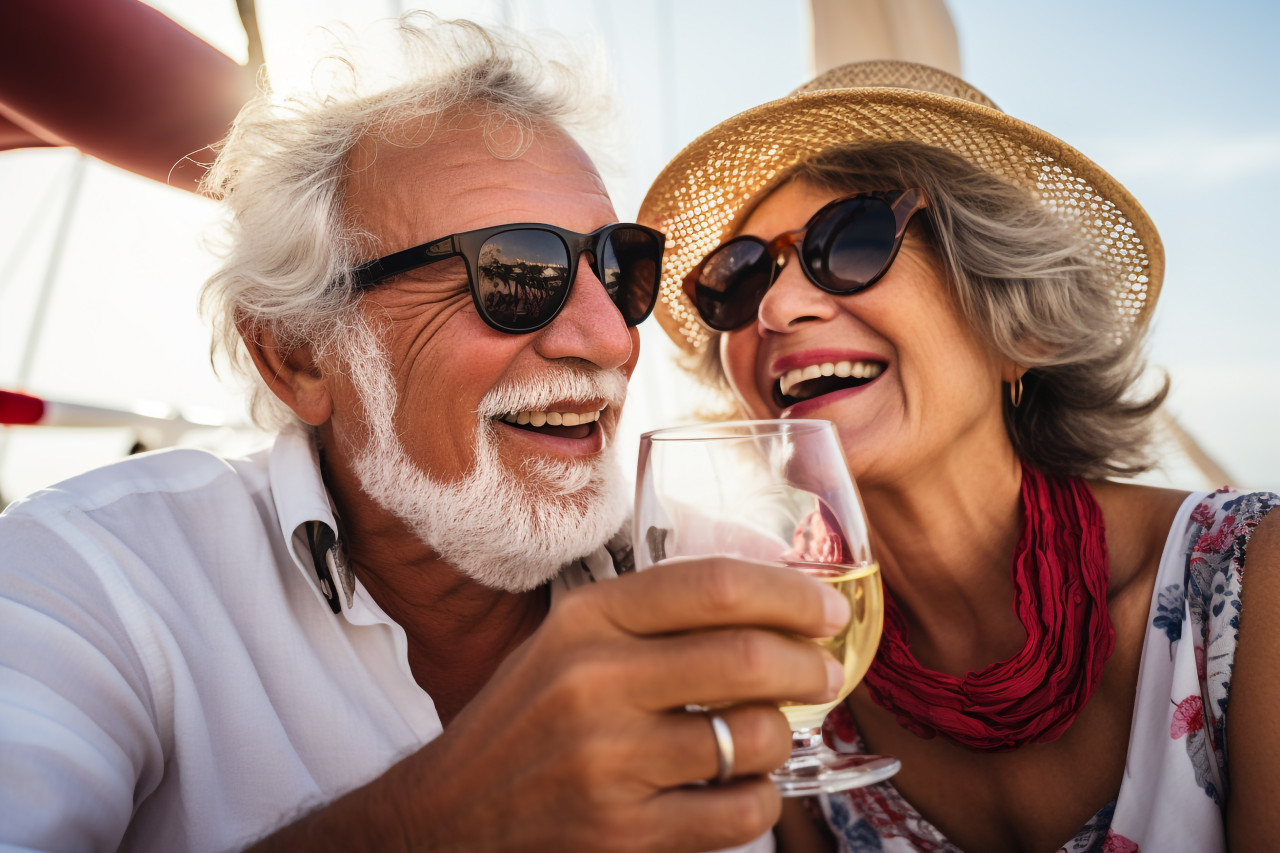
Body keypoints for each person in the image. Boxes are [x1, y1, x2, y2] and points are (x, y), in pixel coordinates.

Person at [0, 18, 854, 852]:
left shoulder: (735, 582)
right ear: (298, 356)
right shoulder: (89, 578)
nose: (611, 340)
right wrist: (430, 819)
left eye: (618, 269)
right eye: (520, 274)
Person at [639, 60, 1280, 852]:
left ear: (1019, 327)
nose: (773, 306)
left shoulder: (1255, 583)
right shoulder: (777, 681)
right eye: (738, 280)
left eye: (851, 241)